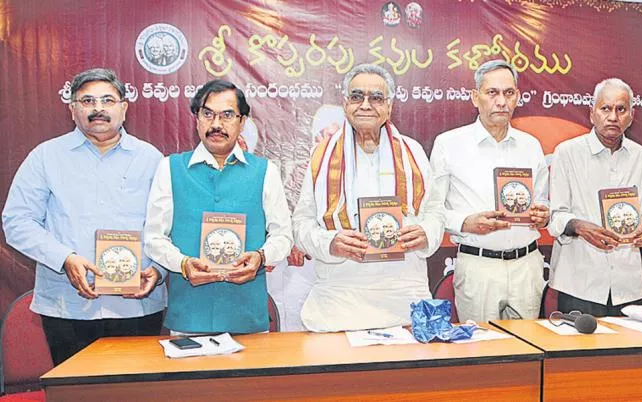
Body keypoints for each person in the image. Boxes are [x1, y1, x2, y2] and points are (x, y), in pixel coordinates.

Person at [2, 68, 166, 365]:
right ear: (72, 109)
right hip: (68, 307)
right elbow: (17, 221)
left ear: (124, 107)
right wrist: (64, 258)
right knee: (75, 393)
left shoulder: (152, 159)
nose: (99, 109)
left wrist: (159, 271)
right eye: (87, 101)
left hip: (136, 307)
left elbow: (171, 225)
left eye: (108, 100)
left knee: (136, 394)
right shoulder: (45, 156)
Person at [293, 64, 444, 332]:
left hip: (402, 296)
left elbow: (435, 212)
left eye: (376, 98)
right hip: (340, 299)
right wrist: (331, 243)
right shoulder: (322, 155)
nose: (365, 105)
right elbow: (301, 223)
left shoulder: (413, 151)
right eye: (356, 96)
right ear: (345, 103)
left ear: (389, 106)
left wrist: (426, 233)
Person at [144, 79, 293, 334]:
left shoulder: (265, 171)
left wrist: (260, 258)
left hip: (247, 317)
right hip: (189, 316)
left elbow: (283, 236)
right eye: (208, 114)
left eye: (227, 115)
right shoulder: (170, 168)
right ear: (197, 118)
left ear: (242, 121)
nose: (216, 124)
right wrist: (182, 264)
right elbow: (154, 239)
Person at [429, 60, 549, 321]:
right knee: (482, 353)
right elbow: (432, 210)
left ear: (517, 97)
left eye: (509, 93)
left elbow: (542, 201)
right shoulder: (449, 144)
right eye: (492, 93)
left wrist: (543, 214)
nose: (501, 102)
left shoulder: (531, 145)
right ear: (475, 97)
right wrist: (465, 222)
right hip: (478, 266)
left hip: (526, 265)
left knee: (528, 354)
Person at [548, 78, 642, 317]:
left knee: (628, 354)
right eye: (605, 108)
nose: (613, 117)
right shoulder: (567, 153)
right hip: (579, 283)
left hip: (628, 285)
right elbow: (555, 216)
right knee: (579, 354)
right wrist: (579, 226)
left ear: (631, 115)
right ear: (592, 113)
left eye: (621, 109)